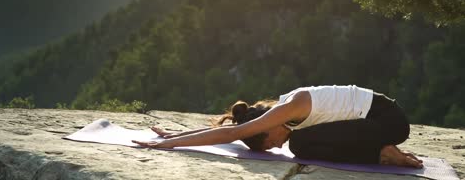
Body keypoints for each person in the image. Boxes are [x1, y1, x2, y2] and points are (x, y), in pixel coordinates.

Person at [133, 85, 423, 168]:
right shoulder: (285, 114)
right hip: (376, 122)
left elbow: (232, 133)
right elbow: (231, 136)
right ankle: (379, 151)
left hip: (388, 121)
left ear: (265, 125)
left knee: (301, 145)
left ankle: (382, 153)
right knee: (303, 144)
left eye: (267, 143)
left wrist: (167, 145)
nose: (274, 147)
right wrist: (177, 133)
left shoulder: (290, 108)